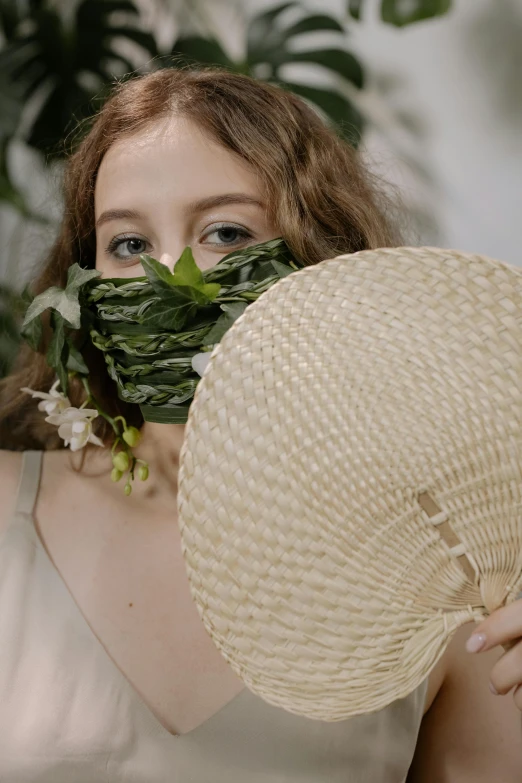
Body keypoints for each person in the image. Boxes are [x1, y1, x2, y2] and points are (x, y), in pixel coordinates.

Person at [0, 68, 520, 782]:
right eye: (128, 244)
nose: (171, 274)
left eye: (226, 232)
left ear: (319, 258)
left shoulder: (442, 569)